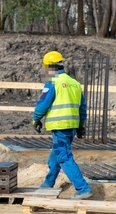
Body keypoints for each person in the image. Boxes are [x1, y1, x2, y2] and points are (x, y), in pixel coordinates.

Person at [32, 50, 93, 200]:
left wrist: (36, 119)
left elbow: (43, 104)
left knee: (64, 157)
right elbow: (82, 108)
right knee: (57, 154)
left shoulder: (52, 83)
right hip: (71, 126)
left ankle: (83, 189)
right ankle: (48, 183)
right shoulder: (75, 84)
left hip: (59, 126)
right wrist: (80, 126)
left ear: (49, 67)